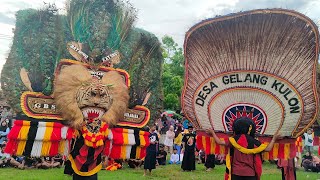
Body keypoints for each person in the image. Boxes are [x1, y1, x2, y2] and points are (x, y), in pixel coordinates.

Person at [207, 117, 281, 180]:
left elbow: (219, 142)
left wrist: (212, 133)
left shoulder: (233, 140)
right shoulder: (255, 142)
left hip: (236, 174)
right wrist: (274, 139)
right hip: (250, 174)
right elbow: (268, 149)